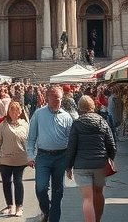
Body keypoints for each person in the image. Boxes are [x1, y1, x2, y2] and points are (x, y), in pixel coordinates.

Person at [27, 86, 74, 222]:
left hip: (61, 157)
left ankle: (54, 219)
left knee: (58, 191)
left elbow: (71, 141)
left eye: (59, 98)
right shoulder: (39, 114)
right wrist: (30, 155)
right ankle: (46, 210)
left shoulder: (67, 117)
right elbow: (31, 138)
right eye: (54, 98)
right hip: (43, 156)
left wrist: (70, 164)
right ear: (47, 98)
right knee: (41, 188)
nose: (57, 101)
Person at [66, 96, 117, 222]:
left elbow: (71, 147)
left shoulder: (77, 124)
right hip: (100, 166)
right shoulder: (102, 121)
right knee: (98, 194)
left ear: (79, 108)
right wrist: (110, 158)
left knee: (87, 198)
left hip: (82, 167)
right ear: (93, 107)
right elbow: (111, 144)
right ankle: (97, 220)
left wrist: (68, 166)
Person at [0, 100, 29, 218]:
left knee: (18, 181)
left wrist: (31, 157)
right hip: (5, 158)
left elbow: (29, 142)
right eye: (12, 111)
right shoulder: (3, 125)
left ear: (20, 112)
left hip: (20, 158)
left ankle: (19, 206)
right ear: (8, 112)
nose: (14, 113)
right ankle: (10, 205)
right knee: (6, 182)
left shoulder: (24, 125)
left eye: (16, 111)